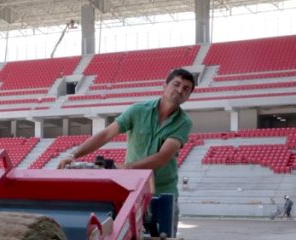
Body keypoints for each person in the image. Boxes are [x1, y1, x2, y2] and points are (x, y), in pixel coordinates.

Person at [57, 68, 195, 195]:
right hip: (133, 186)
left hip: (163, 191)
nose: (180, 90)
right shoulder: (137, 110)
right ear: (164, 86)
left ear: (188, 95)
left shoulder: (183, 122)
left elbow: (162, 157)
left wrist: (126, 168)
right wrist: (73, 155)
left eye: (186, 88)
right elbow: (106, 134)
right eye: (176, 84)